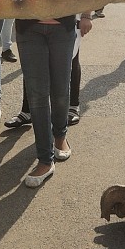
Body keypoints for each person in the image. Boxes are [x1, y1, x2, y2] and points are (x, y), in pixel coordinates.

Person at [15, 11, 92, 187]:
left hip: (62, 27)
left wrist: (87, 14)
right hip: (28, 26)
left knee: (60, 90)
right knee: (37, 96)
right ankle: (45, 160)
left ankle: (60, 135)